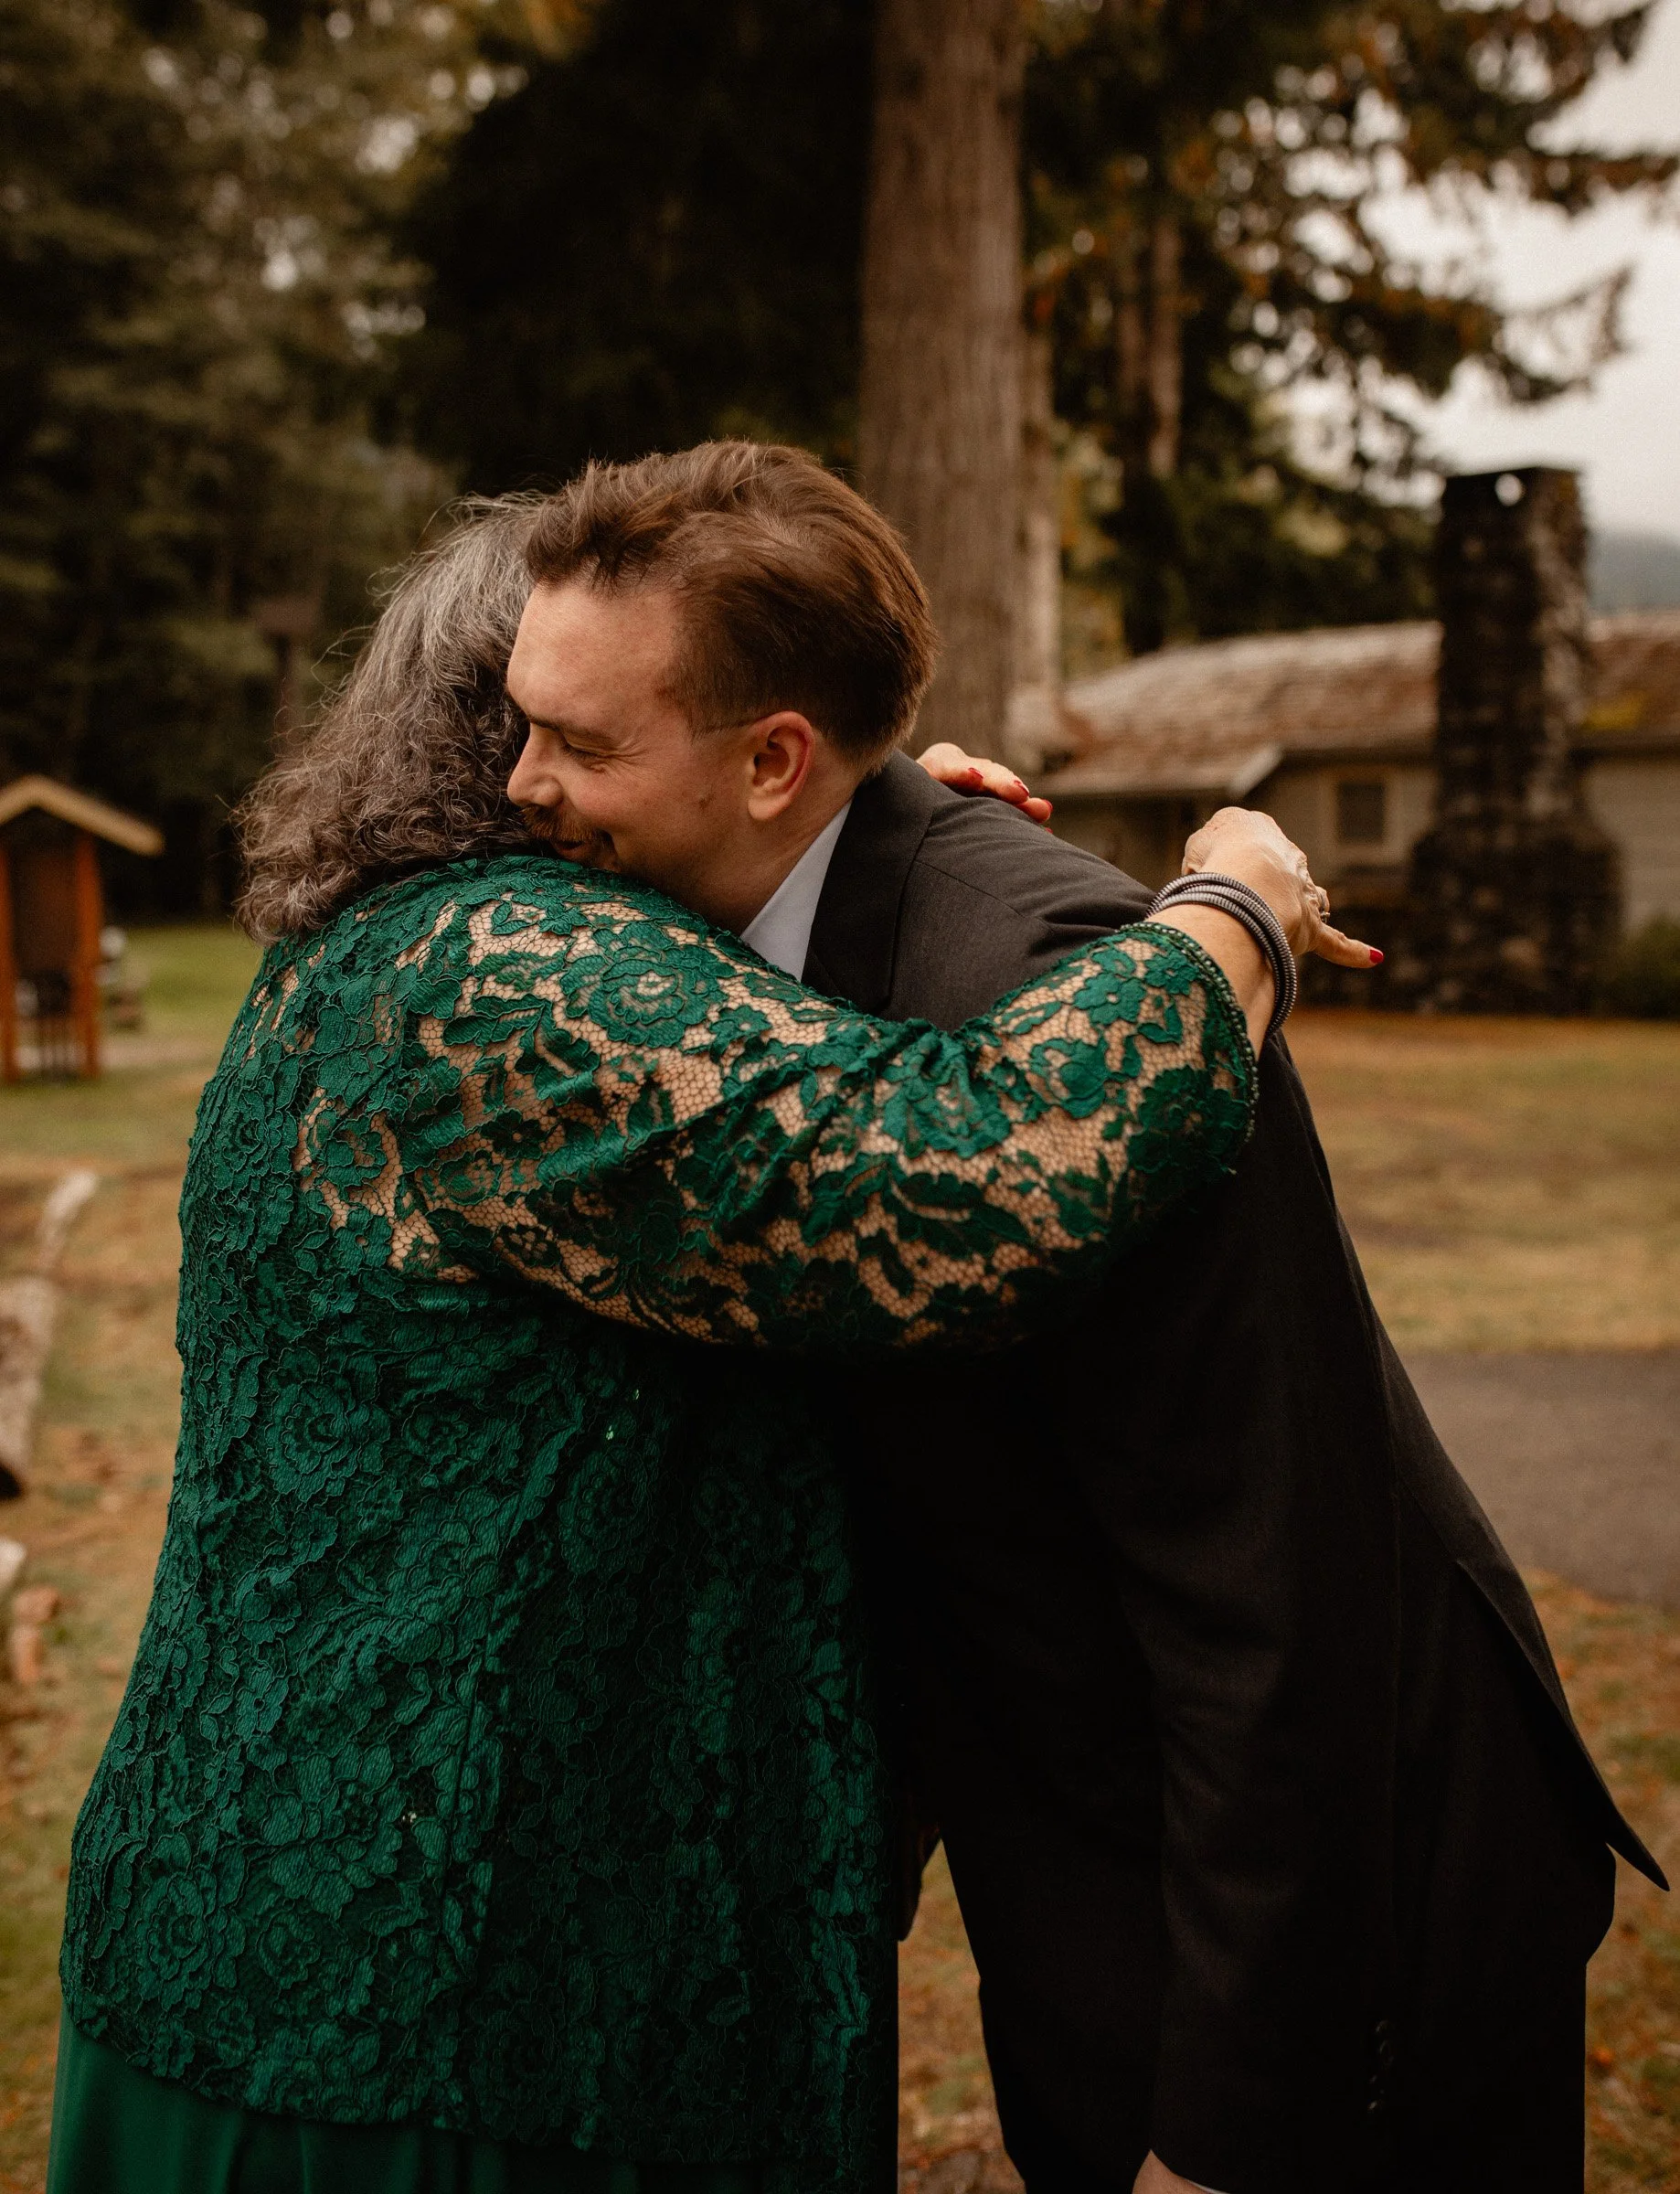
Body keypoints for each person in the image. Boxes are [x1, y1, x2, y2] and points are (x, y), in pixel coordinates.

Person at [49, 484, 1338, 2194]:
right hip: (440, 2014)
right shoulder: (519, 973)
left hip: (288, 1930)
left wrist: (837, 836)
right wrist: (1232, 901)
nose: (538, 778)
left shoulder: (364, 950)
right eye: (542, 728)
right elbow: (971, 1174)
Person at [494, 443, 1664, 2194]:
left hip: (1334, 1907)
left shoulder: (1059, 1002)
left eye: (579, 746)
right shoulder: (736, 920)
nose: (522, 786)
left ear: (772, 763)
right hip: (1080, 1846)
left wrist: (1222, 2135)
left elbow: (1274, 1588)